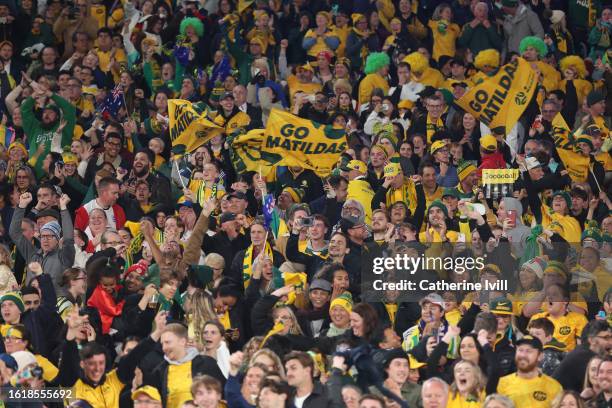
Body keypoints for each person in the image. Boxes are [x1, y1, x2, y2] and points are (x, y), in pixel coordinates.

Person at [497, 336, 563, 408]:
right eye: (520, 350)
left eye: (529, 351)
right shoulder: (501, 384)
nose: (523, 355)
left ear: (540, 356)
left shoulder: (554, 387)